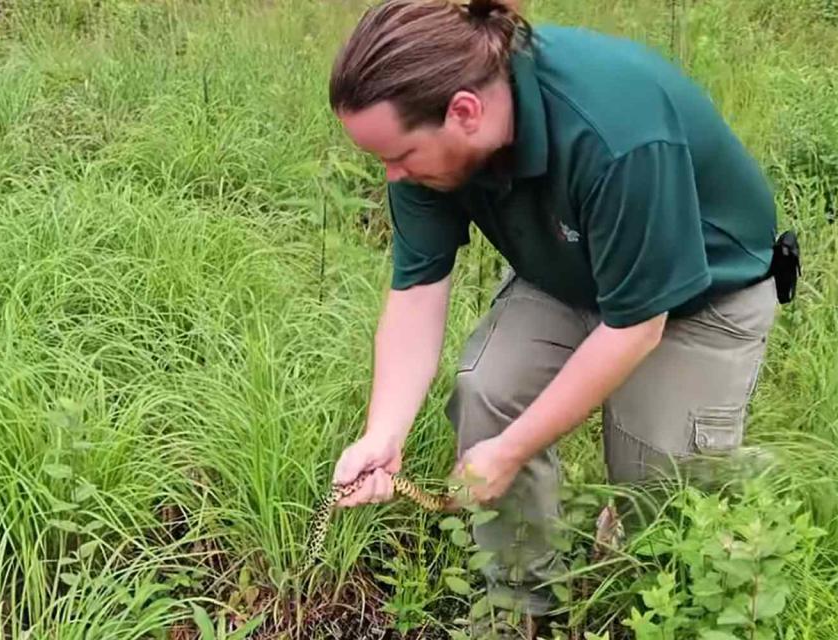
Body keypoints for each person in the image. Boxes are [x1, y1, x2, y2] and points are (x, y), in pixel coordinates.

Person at [326, 0, 789, 635]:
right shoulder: (424, 145)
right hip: (574, 273)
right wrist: (385, 433)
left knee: (657, 476)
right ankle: (523, 606)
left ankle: (653, 602)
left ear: (464, 111)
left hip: (699, 295)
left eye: (400, 155)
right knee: (487, 393)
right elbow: (415, 294)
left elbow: (637, 326)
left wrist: (511, 452)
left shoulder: (614, 131)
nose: (391, 175)